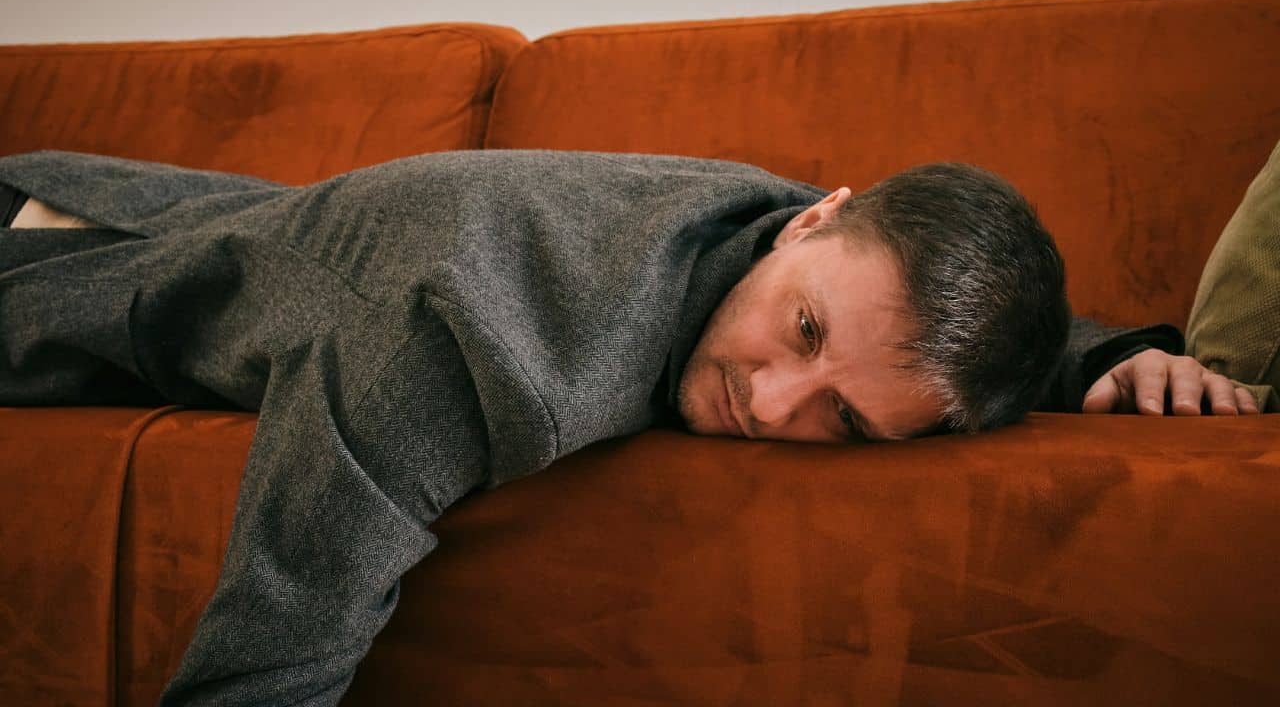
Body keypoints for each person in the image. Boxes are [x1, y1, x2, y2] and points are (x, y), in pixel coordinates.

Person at [0, 149, 1255, 705]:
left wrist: (1115, 357)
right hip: (49, 268)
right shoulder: (470, 348)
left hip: (214, 209)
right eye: (803, 338)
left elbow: (917, 328)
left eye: (843, 426)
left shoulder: (809, 251)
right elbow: (275, 645)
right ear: (815, 217)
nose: (765, 408)